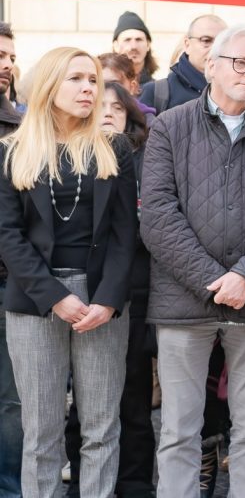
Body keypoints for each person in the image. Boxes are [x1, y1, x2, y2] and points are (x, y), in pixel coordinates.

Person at [141, 25, 245, 498]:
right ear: (211, 66)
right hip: (183, 301)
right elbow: (158, 215)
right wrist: (215, 280)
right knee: (179, 429)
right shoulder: (169, 126)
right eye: (240, 62)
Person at [0, 47, 138, 498]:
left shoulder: (114, 148)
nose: (88, 88)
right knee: (41, 431)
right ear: (48, 85)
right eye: (76, 78)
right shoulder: (12, 152)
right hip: (36, 300)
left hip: (101, 300)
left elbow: (125, 234)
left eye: (93, 79)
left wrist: (109, 300)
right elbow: (7, 235)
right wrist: (55, 296)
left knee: (101, 426)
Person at [63, 82, 153, 498]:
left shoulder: (146, 156)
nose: (108, 113)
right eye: (100, 105)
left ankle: (134, 484)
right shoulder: (71, 155)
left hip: (134, 288)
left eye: (117, 107)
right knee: (86, 399)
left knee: (133, 393)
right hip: (81, 291)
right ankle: (84, 482)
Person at [141, 4, 245, 115]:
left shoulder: (240, 87)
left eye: (221, 41)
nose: (214, 48)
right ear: (187, 44)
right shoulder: (158, 93)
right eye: (206, 40)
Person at [0, 22, 19, 498]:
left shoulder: (20, 130)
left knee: (11, 401)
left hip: (8, 281)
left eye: (11, 57)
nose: (7, 65)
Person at [112, 11, 159, 86]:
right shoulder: (104, 88)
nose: (133, 46)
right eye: (127, 40)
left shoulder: (159, 89)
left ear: (148, 45)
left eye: (139, 39)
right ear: (116, 46)